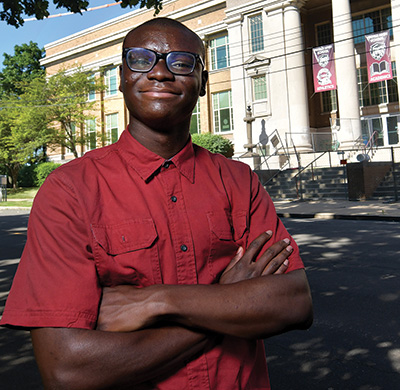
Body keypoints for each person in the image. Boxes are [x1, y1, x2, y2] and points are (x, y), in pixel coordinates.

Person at [0, 18, 313, 389]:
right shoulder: (70, 190)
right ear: (121, 77)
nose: (160, 72)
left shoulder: (238, 180)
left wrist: (154, 302)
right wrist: (224, 301)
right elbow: (67, 368)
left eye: (180, 62)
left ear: (203, 82)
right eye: (141, 59)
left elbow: (293, 303)